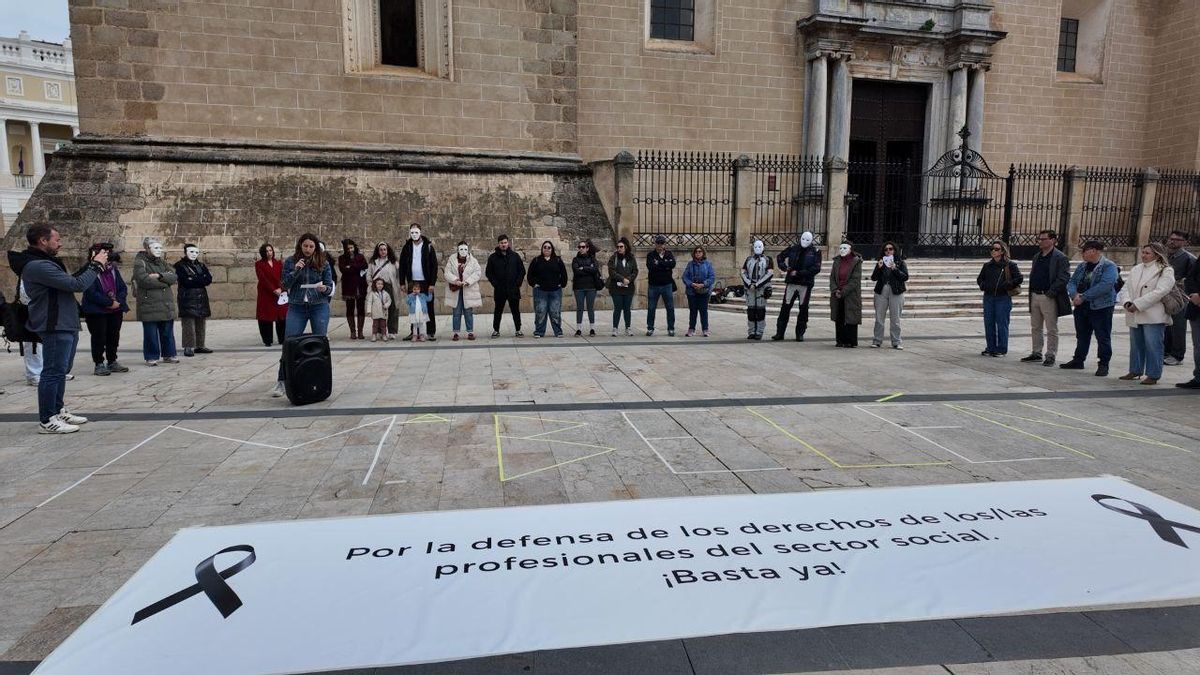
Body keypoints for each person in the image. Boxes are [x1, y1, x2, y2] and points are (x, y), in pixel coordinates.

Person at [21, 224, 106, 433]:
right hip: (54, 322)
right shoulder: (38, 265)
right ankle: (47, 419)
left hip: (64, 321)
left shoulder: (46, 263)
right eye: (56, 240)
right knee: (52, 372)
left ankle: (58, 410)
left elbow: (72, 280)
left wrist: (90, 265)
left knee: (60, 371)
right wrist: (95, 266)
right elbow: (76, 285)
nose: (60, 243)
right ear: (43, 240)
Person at [273, 232, 335, 397]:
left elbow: (330, 287)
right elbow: (285, 284)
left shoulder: (323, 263)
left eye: (311, 246)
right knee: (289, 343)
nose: (308, 249)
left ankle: (319, 380)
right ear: (300, 246)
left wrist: (324, 289)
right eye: (305, 246)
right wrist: (296, 270)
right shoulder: (290, 261)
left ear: (315, 248)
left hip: (318, 305)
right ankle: (282, 381)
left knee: (319, 344)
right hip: (297, 306)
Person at [1117, 243, 1176, 385]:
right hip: (1133, 312)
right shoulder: (1136, 269)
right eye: (1143, 252)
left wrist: (1138, 304)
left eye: (1147, 253)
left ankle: (1153, 374)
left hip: (1153, 313)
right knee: (1136, 344)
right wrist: (1127, 302)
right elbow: (1126, 288)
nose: (1143, 255)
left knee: (1153, 344)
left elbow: (1160, 291)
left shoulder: (1165, 270)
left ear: (1157, 254)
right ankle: (1135, 370)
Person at [1061, 240, 1119, 377]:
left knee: (1102, 336)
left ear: (1094, 251)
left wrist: (1083, 297)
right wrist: (1074, 294)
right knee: (1082, 335)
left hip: (1101, 307)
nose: (1082, 254)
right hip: (1082, 307)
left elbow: (1105, 285)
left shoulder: (1109, 266)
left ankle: (1103, 364)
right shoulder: (1082, 266)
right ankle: (1078, 359)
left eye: (1084, 251)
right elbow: (1072, 281)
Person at [1020, 229, 1071, 367]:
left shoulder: (1060, 257)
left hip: (1048, 296)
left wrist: (1051, 292)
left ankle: (1051, 354)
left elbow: (1064, 277)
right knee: (1035, 326)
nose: (1040, 242)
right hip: (1035, 294)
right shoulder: (1037, 256)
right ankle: (1036, 352)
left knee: (1051, 327)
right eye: (1039, 239)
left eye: (1043, 239)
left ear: (1053, 240)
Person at [81, 244, 130, 376]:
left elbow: (122, 287)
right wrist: (109, 303)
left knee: (113, 336)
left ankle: (112, 361)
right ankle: (99, 363)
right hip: (97, 311)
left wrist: (118, 301)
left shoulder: (113, 269)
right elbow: (91, 292)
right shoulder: (89, 270)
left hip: (115, 310)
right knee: (99, 337)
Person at [133, 237, 179, 367]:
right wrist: (165, 282)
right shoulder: (140, 262)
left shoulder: (162, 262)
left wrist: (159, 276)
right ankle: (151, 356)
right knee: (150, 333)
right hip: (149, 304)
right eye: (156, 248)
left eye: (160, 248)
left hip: (165, 303)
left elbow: (174, 276)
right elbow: (144, 280)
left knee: (167, 332)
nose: (159, 250)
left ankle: (169, 354)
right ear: (148, 248)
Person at [772, 231, 822, 342]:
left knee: (803, 309)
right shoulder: (793, 248)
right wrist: (784, 268)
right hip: (792, 283)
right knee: (785, 307)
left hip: (805, 284)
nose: (804, 241)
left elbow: (816, 268)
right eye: (803, 239)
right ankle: (780, 333)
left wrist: (800, 273)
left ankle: (800, 333)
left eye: (807, 240)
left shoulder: (815, 252)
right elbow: (780, 257)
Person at [977, 240, 1023, 357]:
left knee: (1002, 323)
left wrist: (1007, 285)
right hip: (989, 297)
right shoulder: (987, 265)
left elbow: (1019, 278)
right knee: (989, 323)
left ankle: (1001, 348)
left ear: (1002, 251)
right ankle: (990, 347)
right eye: (992, 249)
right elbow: (980, 279)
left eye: (996, 249)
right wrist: (983, 286)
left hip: (1003, 297)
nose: (993, 251)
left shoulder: (1010, 265)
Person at [8, 249, 45, 386]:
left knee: (46, 343)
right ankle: (34, 374)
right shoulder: (28, 271)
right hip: (31, 311)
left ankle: (48, 371)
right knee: (32, 344)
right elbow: (25, 294)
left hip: (42, 311)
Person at [398, 223, 438, 341]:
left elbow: (434, 266)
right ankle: (414, 332)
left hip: (425, 281)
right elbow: (402, 266)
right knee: (413, 307)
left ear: (420, 232)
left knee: (428, 306)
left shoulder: (428, 246)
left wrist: (432, 283)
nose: (414, 234)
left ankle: (430, 331)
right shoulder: (407, 247)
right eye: (412, 232)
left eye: (416, 232)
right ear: (409, 233)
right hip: (412, 281)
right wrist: (402, 282)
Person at [174, 244, 213, 358]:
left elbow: (208, 279)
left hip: (201, 296)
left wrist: (195, 279)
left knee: (201, 321)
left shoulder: (200, 265)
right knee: (188, 323)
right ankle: (188, 346)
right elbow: (186, 281)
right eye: (191, 252)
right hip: (187, 296)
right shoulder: (179, 265)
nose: (194, 254)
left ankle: (200, 345)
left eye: (196, 252)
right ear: (185, 252)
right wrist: (199, 279)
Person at [1163, 230, 1195, 367]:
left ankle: (1177, 355)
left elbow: (1192, 279)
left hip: (1180, 297)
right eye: (1171, 238)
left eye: (1177, 239)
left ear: (1184, 242)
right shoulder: (1164, 255)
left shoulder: (1189, 258)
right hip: (1165, 294)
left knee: (1178, 326)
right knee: (1166, 325)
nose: (1172, 241)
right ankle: (1166, 351)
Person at [869, 241, 908, 349]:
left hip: (896, 291)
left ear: (894, 250)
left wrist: (895, 269)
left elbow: (905, 277)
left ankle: (896, 341)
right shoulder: (881, 262)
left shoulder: (900, 263)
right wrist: (879, 268)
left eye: (890, 249)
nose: (888, 251)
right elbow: (873, 278)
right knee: (879, 317)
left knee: (895, 318)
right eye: (886, 249)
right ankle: (877, 340)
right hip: (882, 290)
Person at [485, 234, 526, 338]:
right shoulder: (493, 258)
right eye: (501, 243)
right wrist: (495, 284)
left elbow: (522, 271)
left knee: (515, 310)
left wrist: (518, 283)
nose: (503, 244)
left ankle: (518, 329)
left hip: (513, 289)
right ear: (498, 244)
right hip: (500, 289)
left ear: (508, 243)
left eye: (505, 242)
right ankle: (496, 330)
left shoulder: (515, 256)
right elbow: (489, 273)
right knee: (498, 310)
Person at [527, 240, 568, 338]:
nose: (546, 249)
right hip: (540, 291)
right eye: (544, 247)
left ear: (552, 249)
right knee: (540, 311)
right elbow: (530, 274)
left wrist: (562, 284)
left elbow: (564, 274)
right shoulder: (536, 260)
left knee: (555, 312)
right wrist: (533, 284)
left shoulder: (557, 260)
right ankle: (539, 331)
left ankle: (558, 331)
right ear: (542, 249)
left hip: (555, 291)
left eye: (549, 247)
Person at [445, 241, 483, 341]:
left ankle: (470, 331)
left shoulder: (473, 261)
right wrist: (455, 280)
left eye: (465, 249)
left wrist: (468, 281)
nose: (463, 251)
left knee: (468, 311)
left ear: (468, 249)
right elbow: (447, 272)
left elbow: (477, 273)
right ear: (458, 249)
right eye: (461, 249)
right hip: (456, 289)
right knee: (456, 312)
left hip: (468, 289)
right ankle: (456, 332)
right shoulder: (452, 260)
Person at [830, 242, 862, 347]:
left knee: (851, 316)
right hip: (837, 292)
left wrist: (843, 291)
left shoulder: (856, 262)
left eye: (845, 248)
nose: (842, 250)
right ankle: (840, 340)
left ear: (850, 249)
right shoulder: (837, 261)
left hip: (851, 294)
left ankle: (850, 341)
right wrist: (835, 290)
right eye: (840, 248)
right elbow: (832, 277)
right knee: (839, 316)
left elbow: (855, 279)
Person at [255, 244, 288, 346]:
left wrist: (281, 288)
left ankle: (282, 338)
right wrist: (273, 290)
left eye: (270, 250)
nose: (269, 253)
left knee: (282, 316)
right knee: (266, 316)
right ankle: (267, 339)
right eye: (267, 251)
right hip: (266, 293)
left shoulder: (278, 263)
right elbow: (263, 279)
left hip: (279, 293)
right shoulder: (259, 264)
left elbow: (283, 276)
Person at [741, 239, 774, 340]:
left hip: (762, 288)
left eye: (760, 246)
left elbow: (770, 273)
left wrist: (758, 284)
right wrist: (749, 283)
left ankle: (759, 331)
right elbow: (743, 272)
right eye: (755, 246)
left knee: (760, 311)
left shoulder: (768, 259)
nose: (757, 248)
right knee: (751, 310)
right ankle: (751, 331)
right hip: (750, 288)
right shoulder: (749, 259)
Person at [644, 234, 676, 336]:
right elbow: (651, 267)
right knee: (651, 307)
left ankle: (671, 328)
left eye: (662, 243)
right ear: (655, 244)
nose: (660, 245)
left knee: (670, 307)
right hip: (654, 285)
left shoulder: (669, 254)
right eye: (658, 243)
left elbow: (672, 264)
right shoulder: (650, 255)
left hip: (667, 285)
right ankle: (650, 328)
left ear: (664, 244)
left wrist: (659, 263)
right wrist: (665, 265)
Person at [1178, 249, 1200, 389]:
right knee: (1198, 345)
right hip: (1196, 307)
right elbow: (1190, 277)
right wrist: (1194, 293)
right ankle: (1198, 377)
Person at [571, 239, 603, 337]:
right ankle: (578, 329)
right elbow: (576, 271)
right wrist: (588, 268)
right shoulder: (575, 259)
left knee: (590, 308)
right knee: (580, 308)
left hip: (591, 287)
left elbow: (595, 269)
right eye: (579, 247)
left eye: (583, 247)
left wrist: (583, 268)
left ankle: (592, 328)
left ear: (587, 248)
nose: (581, 249)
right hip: (579, 287)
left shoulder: (592, 259)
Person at [369, 241, 401, 339]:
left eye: (384, 249)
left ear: (387, 250)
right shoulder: (373, 262)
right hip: (377, 287)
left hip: (389, 286)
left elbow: (399, 275)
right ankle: (379, 331)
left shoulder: (393, 262)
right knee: (378, 308)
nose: (383, 251)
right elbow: (369, 275)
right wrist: (371, 285)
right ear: (378, 251)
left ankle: (392, 331)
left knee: (392, 308)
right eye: (381, 250)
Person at [682, 245, 715, 337]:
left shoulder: (708, 264)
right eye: (696, 251)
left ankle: (705, 329)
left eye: (700, 251)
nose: (698, 253)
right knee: (693, 311)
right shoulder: (690, 264)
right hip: (692, 291)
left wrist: (703, 284)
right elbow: (685, 276)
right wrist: (691, 284)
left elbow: (712, 277)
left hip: (704, 291)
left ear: (703, 253)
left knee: (703, 310)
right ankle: (691, 329)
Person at [338, 239, 368, 340]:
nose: (350, 250)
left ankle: (360, 332)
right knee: (350, 308)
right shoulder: (342, 258)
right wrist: (355, 267)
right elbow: (343, 269)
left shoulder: (360, 256)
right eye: (348, 248)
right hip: (348, 286)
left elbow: (364, 266)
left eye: (351, 247)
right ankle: (352, 331)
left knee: (361, 308)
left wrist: (351, 266)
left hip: (360, 285)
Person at [607, 237, 638, 336]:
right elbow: (612, 271)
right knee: (618, 307)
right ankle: (615, 328)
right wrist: (622, 279)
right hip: (616, 288)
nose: (619, 248)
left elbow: (635, 271)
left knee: (627, 308)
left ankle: (628, 327)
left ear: (626, 247)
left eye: (621, 247)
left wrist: (629, 279)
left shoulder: (631, 258)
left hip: (628, 287)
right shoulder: (614, 258)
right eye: (618, 247)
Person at [367, 277, 392, 342]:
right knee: (375, 325)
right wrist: (369, 311)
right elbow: (369, 302)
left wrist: (386, 305)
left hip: (383, 312)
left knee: (383, 325)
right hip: (375, 312)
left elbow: (389, 300)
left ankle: (384, 335)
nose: (380, 285)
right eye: (378, 284)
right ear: (375, 284)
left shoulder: (385, 293)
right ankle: (374, 335)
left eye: (381, 284)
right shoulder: (372, 293)